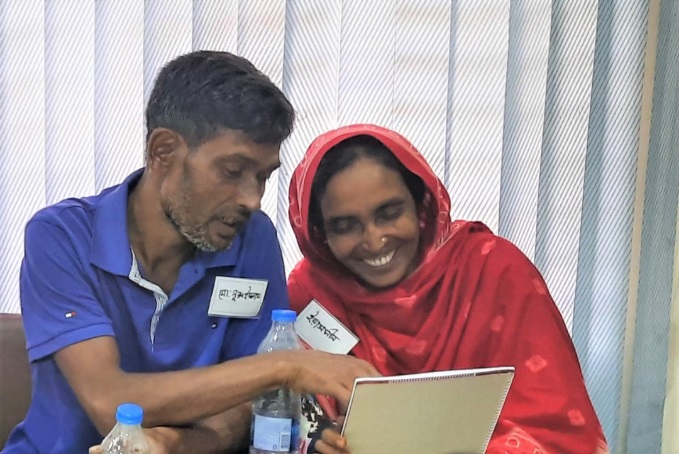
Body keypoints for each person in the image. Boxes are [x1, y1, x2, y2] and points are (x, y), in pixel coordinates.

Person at [2, 52, 378, 454]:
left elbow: (250, 402)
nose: (252, 199)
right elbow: (108, 402)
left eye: (264, 176)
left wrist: (169, 443)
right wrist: (286, 366)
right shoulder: (62, 236)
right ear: (163, 151)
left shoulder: (253, 238)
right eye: (233, 171)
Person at [287, 124, 609, 454]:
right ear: (318, 233)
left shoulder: (494, 271)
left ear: (421, 203)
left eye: (390, 213)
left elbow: (557, 430)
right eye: (345, 226)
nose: (374, 240)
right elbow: (290, 425)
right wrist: (320, 441)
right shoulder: (310, 295)